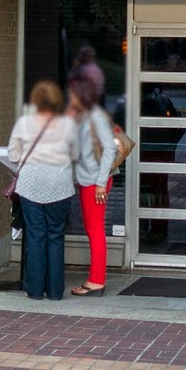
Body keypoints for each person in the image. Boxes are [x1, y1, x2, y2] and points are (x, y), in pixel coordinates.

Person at [7, 80, 78, 301]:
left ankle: (35, 290)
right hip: (60, 185)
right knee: (56, 236)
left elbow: (13, 155)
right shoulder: (67, 125)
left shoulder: (24, 123)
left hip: (31, 185)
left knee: (36, 236)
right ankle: (55, 291)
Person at [67, 73, 114, 298]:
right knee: (92, 228)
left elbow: (110, 149)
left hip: (95, 182)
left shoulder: (96, 115)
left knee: (95, 229)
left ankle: (96, 281)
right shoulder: (84, 115)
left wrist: (101, 183)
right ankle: (96, 279)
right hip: (89, 179)